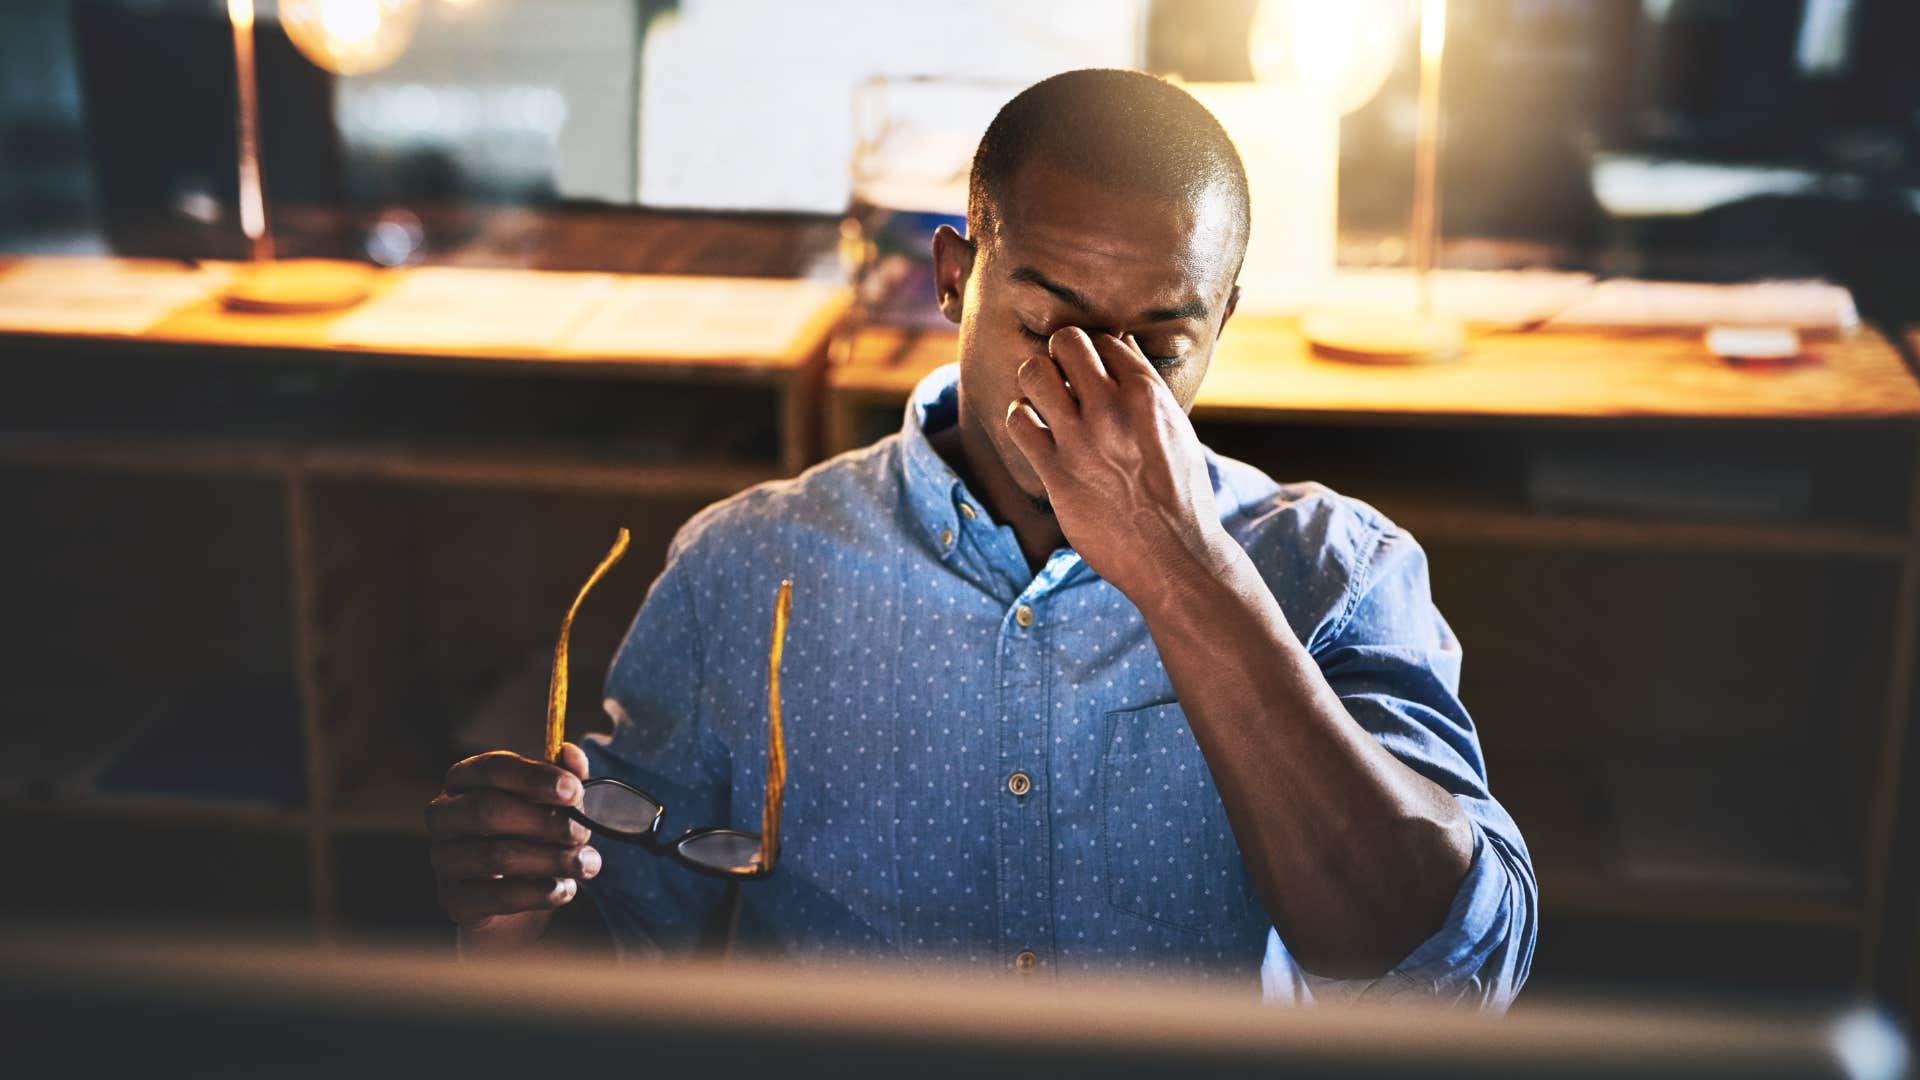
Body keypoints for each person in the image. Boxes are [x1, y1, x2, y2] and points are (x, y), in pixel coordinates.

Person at [426, 68, 1536, 1007]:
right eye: (1047, 324)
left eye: (1160, 342)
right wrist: (525, 904)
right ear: (956, 280)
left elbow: (1452, 967)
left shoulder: (1338, 570)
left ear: (1223, 326)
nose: (1092, 386)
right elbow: (620, 945)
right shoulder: (745, 568)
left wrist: (1179, 569)